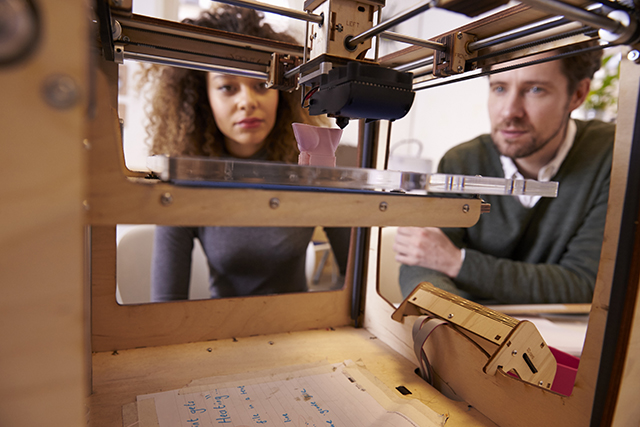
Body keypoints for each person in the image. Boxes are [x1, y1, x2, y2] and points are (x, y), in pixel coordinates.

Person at [143, 6, 350, 301]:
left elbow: (357, 280)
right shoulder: (185, 181)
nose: (247, 101)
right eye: (228, 87)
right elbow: (164, 306)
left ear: (281, 89)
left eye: (262, 84)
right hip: (222, 336)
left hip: (300, 332)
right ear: (205, 98)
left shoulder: (310, 170)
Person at [393, 44, 614, 304]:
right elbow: (421, 265)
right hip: (471, 327)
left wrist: (457, 262)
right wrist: (465, 324)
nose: (509, 111)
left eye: (535, 90)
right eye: (499, 88)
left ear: (577, 94)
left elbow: (586, 283)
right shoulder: (462, 162)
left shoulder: (612, 154)